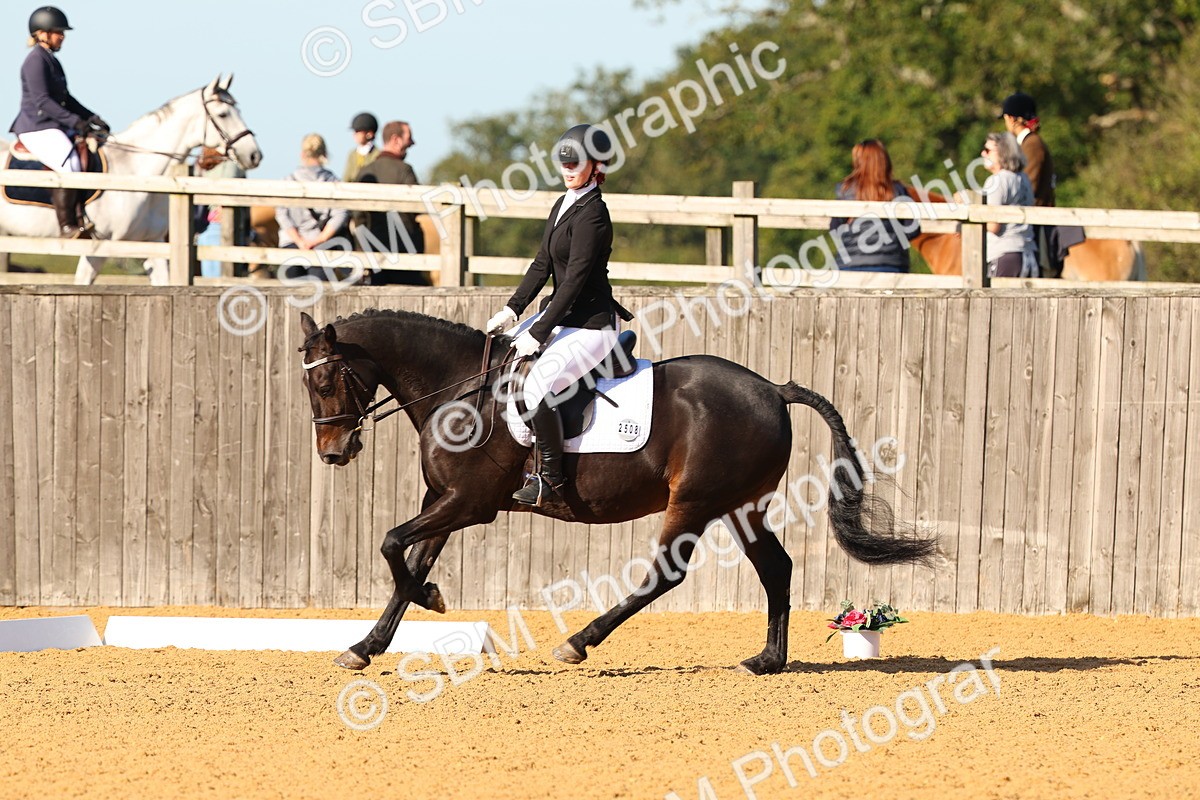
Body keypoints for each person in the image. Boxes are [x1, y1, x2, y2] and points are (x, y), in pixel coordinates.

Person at [484, 124, 630, 507]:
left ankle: (551, 478)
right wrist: (512, 308)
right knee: (504, 364)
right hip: (562, 317)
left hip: (592, 324)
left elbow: (576, 281)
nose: (567, 169)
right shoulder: (564, 202)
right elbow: (543, 264)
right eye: (563, 163)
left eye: (576, 163)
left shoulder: (593, 215)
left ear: (596, 165)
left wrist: (540, 329)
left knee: (536, 389)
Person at [9, 6, 109, 238]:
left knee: (79, 154)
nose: (62, 36)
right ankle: (67, 225)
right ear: (41, 33)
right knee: (70, 161)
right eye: (57, 32)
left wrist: (91, 118)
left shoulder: (51, 61)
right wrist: (76, 123)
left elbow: (65, 98)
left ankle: (80, 216)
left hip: (51, 126)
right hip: (36, 127)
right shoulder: (35, 61)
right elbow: (43, 101)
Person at [353, 120, 427, 285]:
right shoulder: (404, 170)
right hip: (404, 254)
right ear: (396, 139)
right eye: (409, 138)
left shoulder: (365, 171)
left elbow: (358, 218)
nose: (412, 143)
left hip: (373, 256)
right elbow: (421, 207)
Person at [998, 91, 1065, 276]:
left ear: (1012, 119)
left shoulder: (1032, 144)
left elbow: (1028, 187)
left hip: (1037, 224)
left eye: (1005, 118)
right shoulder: (1026, 143)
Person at [829, 139, 919, 272]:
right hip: (891, 266)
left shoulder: (845, 191)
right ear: (884, 161)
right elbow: (913, 229)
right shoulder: (898, 190)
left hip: (849, 267)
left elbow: (835, 230)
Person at [275, 134, 349, 280]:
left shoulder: (289, 180)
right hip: (320, 244)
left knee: (292, 291)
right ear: (324, 154)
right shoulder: (332, 182)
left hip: (292, 243)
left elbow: (281, 214)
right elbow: (340, 214)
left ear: (302, 154)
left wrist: (299, 241)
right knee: (319, 291)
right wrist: (318, 240)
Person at [981, 132, 1036, 278]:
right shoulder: (1024, 179)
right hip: (1029, 254)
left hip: (1004, 253)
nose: (983, 153)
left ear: (1002, 152)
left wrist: (969, 224)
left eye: (988, 150)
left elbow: (993, 226)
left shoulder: (996, 181)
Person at [195, 146, 247, 278]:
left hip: (205, 224)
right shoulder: (232, 165)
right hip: (223, 223)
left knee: (209, 278)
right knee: (225, 279)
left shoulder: (201, 164)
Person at [343, 112, 379, 183]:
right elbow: (346, 178)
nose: (354, 134)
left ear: (369, 134)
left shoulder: (377, 154)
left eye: (357, 131)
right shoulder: (352, 154)